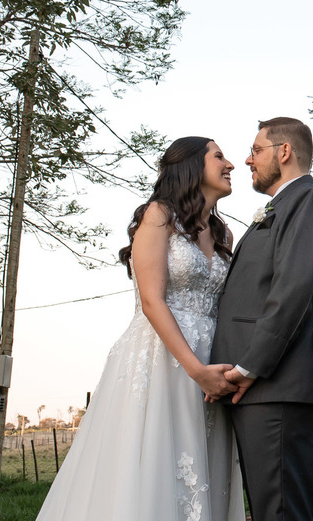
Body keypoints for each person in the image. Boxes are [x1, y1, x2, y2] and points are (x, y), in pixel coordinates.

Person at [36, 137, 247, 521]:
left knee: (204, 469)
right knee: (154, 465)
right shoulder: (158, 216)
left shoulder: (223, 234)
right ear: (190, 165)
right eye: (219, 156)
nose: (230, 163)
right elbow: (152, 301)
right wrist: (195, 370)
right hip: (163, 359)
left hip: (210, 362)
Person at [211, 117, 313, 521]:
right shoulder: (283, 205)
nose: (247, 160)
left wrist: (252, 366)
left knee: (283, 513)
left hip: (283, 386)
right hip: (267, 390)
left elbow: (293, 288)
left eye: (256, 150)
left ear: (283, 152)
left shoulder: (310, 200)